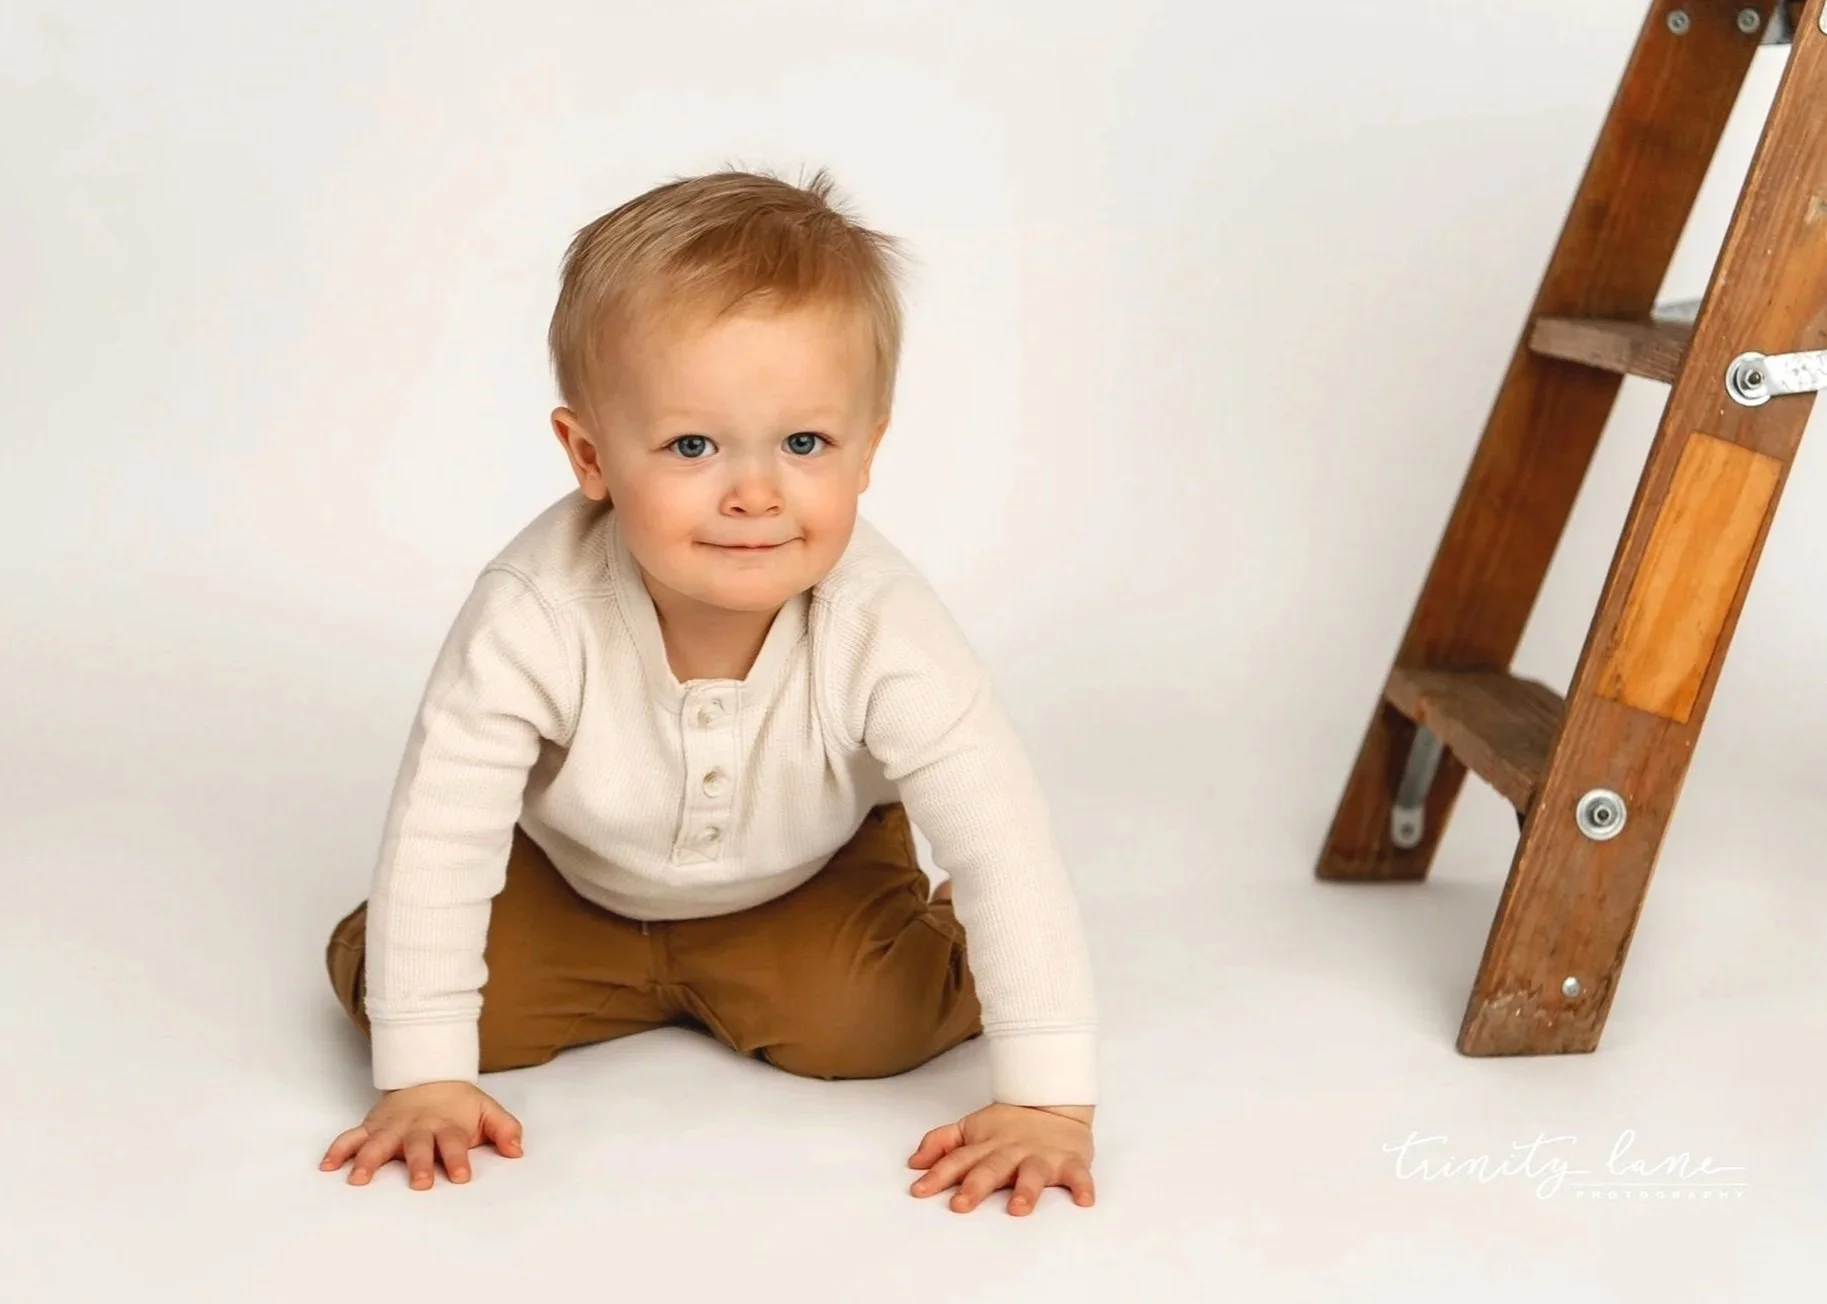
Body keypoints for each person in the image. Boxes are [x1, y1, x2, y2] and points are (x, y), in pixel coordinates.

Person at [318, 168, 1099, 1216]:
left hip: (802, 876)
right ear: (590, 455)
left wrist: (1050, 1103)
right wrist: (424, 1074)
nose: (754, 491)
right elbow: (443, 821)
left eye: (806, 443)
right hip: (575, 880)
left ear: (868, 451)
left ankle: (938, 933)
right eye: (692, 444)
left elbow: (1002, 834)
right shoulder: (534, 611)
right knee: (413, 1002)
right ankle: (433, 963)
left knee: (870, 1028)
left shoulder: (884, 623)